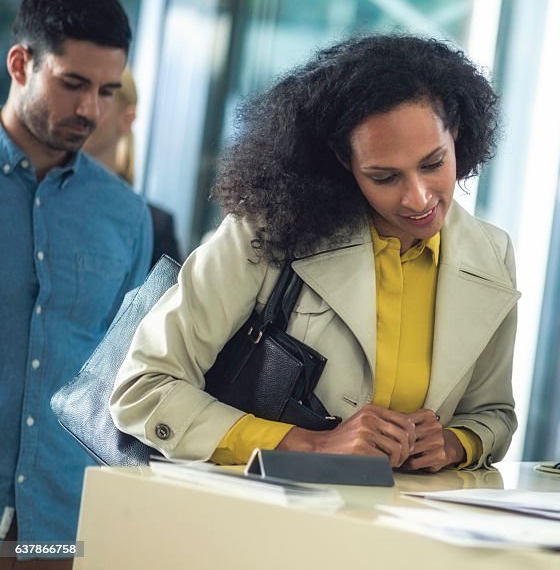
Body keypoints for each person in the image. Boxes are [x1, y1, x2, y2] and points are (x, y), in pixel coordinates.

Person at [111, 34, 518, 473]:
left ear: (457, 133)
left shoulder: (492, 255)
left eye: (433, 163)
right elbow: (142, 389)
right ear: (344, 161)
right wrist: (309, 446)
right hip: (258, 524)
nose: (418, 199)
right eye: (384, 177)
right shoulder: (268, 231)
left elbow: (493, 415)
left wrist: (456, 444)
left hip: (406, 529)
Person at [0, 0, 152, 567]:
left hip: (63, 528)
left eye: (107, 90)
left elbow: (124, 376)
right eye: (73, 83)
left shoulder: (125, 217)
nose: (91, 109)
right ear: (21, 65)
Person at [84, 67, 182, 267]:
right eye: (74, 87)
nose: (83, 108)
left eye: (102, 95)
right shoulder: (42, 198)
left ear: (127, 119)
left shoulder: (153, 226)